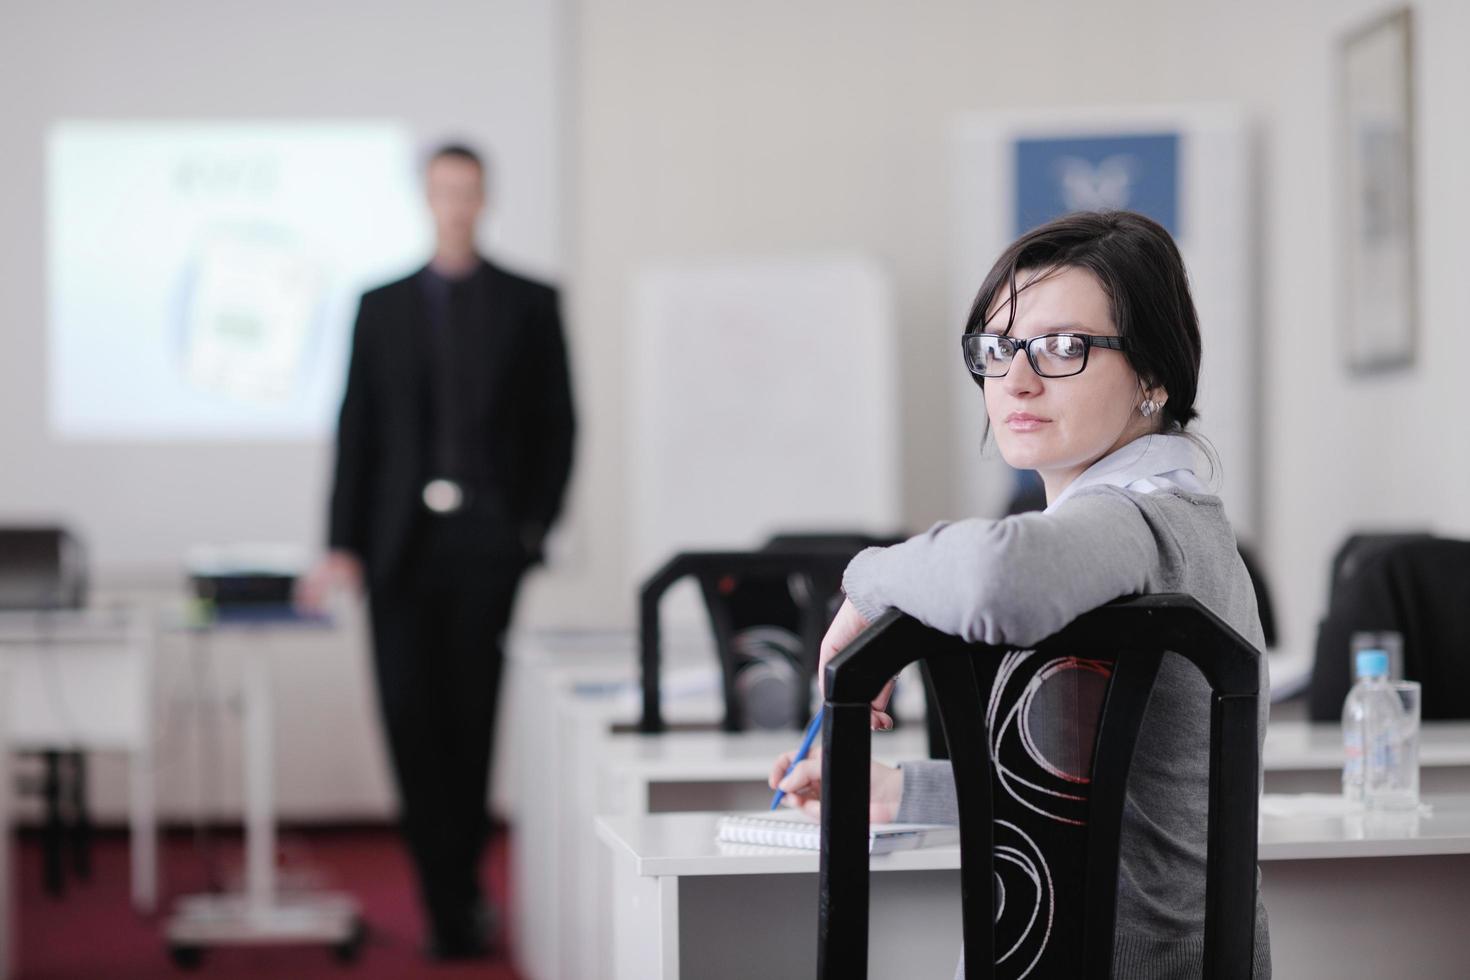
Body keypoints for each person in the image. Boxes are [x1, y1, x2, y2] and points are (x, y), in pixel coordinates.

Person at [768, 210, 1271, 978]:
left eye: (1065, 347)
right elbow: (1119, 798)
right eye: (1000, 349)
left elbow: (996, 580)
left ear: (1155, 375)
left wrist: (867, 580)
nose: (1016, 379)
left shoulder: (1143, 520)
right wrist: (906, 792)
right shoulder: (1139, 526)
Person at [298, 143, 575, 958]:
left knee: (471, 720)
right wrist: (343, 543)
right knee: (409, 719)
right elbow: (357, 431)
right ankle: (440, 895)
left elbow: (560, 426)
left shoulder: (529, 301)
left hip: (488, 546)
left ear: (484, 197)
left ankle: (461, 897)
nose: (455, 203)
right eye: (442, 190)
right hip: (398, 551)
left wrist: (532, 530)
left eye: (468, 190)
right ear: (425, 197)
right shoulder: (379, 304)